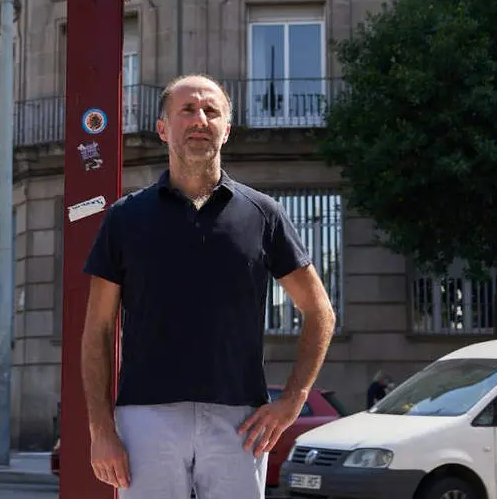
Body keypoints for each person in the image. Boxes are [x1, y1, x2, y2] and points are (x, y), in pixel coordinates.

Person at [82, 74, 337, 499]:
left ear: (227, 129)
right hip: (145, 418)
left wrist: (294, 399)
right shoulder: (125, 218)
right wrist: (101, 429)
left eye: (211, 111)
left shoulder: (264, 215)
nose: (200, 119)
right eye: (187, 110)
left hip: (240, 420)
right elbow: (98, 331)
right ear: (163, 128)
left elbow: (320, 310)